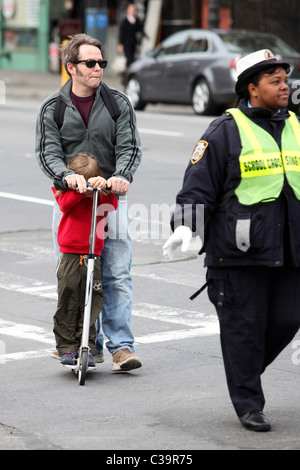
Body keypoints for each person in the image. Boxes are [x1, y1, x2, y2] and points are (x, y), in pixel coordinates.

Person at [163, 49, 300, 432]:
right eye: (275, 81)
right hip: (238, 255)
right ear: (252, 89)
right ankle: (248, 403)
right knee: (244, 329)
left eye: (285, 79)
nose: (284, 86)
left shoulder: (296, 126)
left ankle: (243, 371)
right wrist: (185, 227)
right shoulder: (224, 130)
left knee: (288, 319)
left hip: (290, 251)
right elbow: (197, 188)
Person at [35, 33, 142, 372]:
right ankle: (87, 344)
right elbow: (47, 152)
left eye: (101, 63)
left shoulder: (118, 103)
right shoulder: (53, 107)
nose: (98, 68)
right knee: (73, 275)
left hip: (109, 200)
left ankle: (122, 348)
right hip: (70, 202)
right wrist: (66, 176)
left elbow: (129, 147)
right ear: (71, 67)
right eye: (90, 63)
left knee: (116, 275)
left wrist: (121, 174)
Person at [52, 152, 118, 367]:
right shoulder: (66, 193)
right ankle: (66, 347)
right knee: (68, 299)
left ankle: (87, 347)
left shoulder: (100, 196)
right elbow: (64, 205)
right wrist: (79, 190)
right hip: (71, 255)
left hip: (94, 256)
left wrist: (103, 187)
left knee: (91, 302)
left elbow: (112, 204)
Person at [117, 3, 145, 68]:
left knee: (133, 57)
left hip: (134, 42)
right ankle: (129, 73)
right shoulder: (125, 21)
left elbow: (140, 30)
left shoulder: (137, 20)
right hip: (126, 43)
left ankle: (130, 72)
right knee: (129, 58)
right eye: (131, 9)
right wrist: (121, 44)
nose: (132, 11)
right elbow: (122, 33)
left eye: (134, 9)